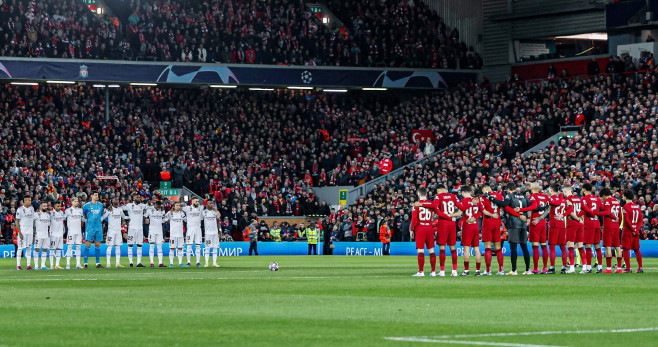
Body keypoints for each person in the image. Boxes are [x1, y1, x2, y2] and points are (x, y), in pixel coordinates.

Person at [485, 183, 531, 275]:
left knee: (513, 247)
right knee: (524, 246)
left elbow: (504, 204)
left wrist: (490, 198)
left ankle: (514, 270)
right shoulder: (523, 196)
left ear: (509, 189)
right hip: (524, 223)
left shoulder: (510, 196)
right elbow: (529, 207)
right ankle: (528, 269)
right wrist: (528, 217)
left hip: (514, 223)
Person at [411, 187, 456, 277]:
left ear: (419, 194)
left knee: (421, 251)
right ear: (426, 194)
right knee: (431, 250)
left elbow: (414, 219)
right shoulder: (431, 204)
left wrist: (411, 230)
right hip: (429, 228)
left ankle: (421, 272)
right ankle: (433, 272)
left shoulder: (416, 204)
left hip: (421, 228)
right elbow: (439, 213)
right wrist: (450, 218)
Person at [421, 184, 463, 276]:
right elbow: (461, 208)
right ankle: (454, 271)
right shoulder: (453, 196)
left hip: (443, 222)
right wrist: (456, 214)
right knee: (453, 247)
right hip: (452, 223)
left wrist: (422, 204)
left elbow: (435, 206)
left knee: (442, 247)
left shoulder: (438, 196)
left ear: (439, 190)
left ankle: (442, 271)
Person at [523, 183, 550, 274]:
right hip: (543, 222)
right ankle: (545, 268)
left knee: (535, 246)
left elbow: (533, 208)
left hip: (535, 222)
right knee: (543, 245)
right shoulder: (545, 197)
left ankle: (535, 268)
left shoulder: (532, 197)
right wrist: (541, 218)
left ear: (532, 188)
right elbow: (548, 209)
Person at [597, 188, 623, 274]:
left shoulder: (607, 201)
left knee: (608, 246)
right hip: (616, 226)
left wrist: (596, 213)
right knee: (617, 247)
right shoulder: (617, 201)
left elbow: (607, 212)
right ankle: (619, 268)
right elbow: (620, 216)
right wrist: (617, 224)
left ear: (604, 194)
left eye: (602, 196)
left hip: (608, 226)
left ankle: (608, 268)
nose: (603, 198)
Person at [457, 186, 482, 276]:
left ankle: (466, 271)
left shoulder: (463, 201)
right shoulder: (476, 200)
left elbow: (460, 212)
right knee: (477, 249)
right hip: (475, 225)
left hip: (467, 225)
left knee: (466, 249)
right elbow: (480, 211)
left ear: (463, 192)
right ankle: (478, 271)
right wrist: (475, 218)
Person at [547, 184, 571, 274]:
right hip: (562, 224)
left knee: (552, 246)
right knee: (563, 246)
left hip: (554, 224)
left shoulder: (551, 199)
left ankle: (552, 268)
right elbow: (570, 208)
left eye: (550, 189)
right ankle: (564, 267)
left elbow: (553, 203)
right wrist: (563, 215)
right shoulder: (564, 201)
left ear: (552, 190)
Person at [480, 184, 504, 275]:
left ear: (484, 189)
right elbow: (501, 206)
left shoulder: (482, 196)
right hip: (497, 222)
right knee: (498, 248)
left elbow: (483, 210)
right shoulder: (498, 195)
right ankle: (501, 270)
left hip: (488, 222)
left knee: (488, 247)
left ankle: (488, 270)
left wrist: (491, 214)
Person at [581, 183, 603, 273]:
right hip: (596, 223)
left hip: (588, 224)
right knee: (597, 246)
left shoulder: (583, 199)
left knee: (588, 246)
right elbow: (603, 209)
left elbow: (582, 210)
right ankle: (600, 267)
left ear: (584, 190)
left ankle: (589, 268)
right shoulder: (597, 199)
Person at [121, 195, 148, 267]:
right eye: (137, 197)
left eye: (139, 197)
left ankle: (138, 262)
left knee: (140, 245)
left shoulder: (142, 206)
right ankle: (131, 262)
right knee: (130, 245)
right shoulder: (129, 205)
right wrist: (125, 217)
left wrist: (145, 215)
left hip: (140, 228)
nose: (138, 198)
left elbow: (151, 208)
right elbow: (120, 208)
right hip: (131, 228)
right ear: (133, 198)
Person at [563, 185, 585, 274]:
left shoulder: (567, 200)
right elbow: (584, 209)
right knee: (580, 246)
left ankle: (572, 268)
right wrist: (580, 218)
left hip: (572, 224)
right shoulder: (579, 199)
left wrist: (577, 218)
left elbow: (571, 212)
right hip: (579, 225)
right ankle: (584, 267)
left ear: (565, 191)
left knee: (570, 246)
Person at [621, 190, 643, 273]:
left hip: (628, 231)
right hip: (636, 232)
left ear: (625, 197)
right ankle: (640, 268)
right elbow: (640, 220)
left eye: (623, 196)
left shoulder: (625, 207)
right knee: (637, 249)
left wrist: (633, 230)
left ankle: (628, 268)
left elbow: (626, 220)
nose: (622, 197)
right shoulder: (637, 206)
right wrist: (636, 229)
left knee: (625, 249)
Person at [82, 192, 104, 268]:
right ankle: (85, 263)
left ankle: (97, 263)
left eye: (97, 195)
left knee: (97, 244)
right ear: (91, 196)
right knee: (88, 244)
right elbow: (83, 215)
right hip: (90, 228)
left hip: (98, 227)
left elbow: (101, 215)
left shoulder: (100, 205)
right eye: (95, 195)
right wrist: (87, 222)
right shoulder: (86, 206)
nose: (97, 196)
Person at [103, 198, 126, 268]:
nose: (116, 201)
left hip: (118, 231)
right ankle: (108, 263)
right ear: (111, 202)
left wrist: (131, 217)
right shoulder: (108, 210)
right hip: (111, 231)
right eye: (115, 200)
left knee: (118, 246)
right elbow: (103, 217)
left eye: (117, 200)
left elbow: (124, 216)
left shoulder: (120, 210)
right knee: (110, 246)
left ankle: (117, 263)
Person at [182, 197, 205, 267]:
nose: (197, 203)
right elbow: (179, 207)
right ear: (192, 202)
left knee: (198, 246)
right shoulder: (187, 208)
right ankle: (188, 262)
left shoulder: (200, 208)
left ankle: (198, 262)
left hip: (198, 229)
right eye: (196, 201)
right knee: (189, 246)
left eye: (198, 201)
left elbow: (201, 218)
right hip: (190, 229)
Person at [16, 195, 35, 270]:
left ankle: (28, 265)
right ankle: (18, 266)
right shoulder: (20, 210)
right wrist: (20, 233)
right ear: (25, 201)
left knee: (29, 248)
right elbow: (17, 221)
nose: (30, 202)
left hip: (30, 232)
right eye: (29, 200)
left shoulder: (32, 209)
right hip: (23, 232)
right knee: (20, 248)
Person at [146, 201, 167, 267]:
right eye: (157, 206)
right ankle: (151, 263)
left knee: (159, 246)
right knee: (151, 246)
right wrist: (146, 220)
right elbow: (144, 216)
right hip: (152, 231)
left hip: (159, 231)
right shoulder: (150, 210)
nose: (158, 208)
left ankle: (160, 263)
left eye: (159, 206)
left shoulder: (162, 211)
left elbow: (163, 219)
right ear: (154, 205)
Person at [64, 197, 84, 269]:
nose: (77, 202)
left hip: (78, 232)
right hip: (71, 232)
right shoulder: (68, 210)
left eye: (77, 201)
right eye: (75, 201)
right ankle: (68, 264)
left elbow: (83, 219)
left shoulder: (80, 211)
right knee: (69, 247)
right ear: (71, 202)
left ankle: (78, 264)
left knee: (78, 247)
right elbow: (63, 218)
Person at [166, 202, 186, 267]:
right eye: (177, 205)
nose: (178, 206)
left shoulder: (182, 213)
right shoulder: (170, 213)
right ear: (174, 206)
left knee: (180, 249)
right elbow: (164, 219)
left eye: (179, 205)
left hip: (180, 234)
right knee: (172, 248)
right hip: (173, 234)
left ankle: (180, 263)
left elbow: (186, 220)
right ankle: (171, 263)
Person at [202, 201, 221, 267]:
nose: (211, 204)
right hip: (207, 233)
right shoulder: (204, 212)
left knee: (215, 247)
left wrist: (220, 230)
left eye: (212, 203)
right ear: (207, 205)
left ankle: (214, 263)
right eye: (210, 203)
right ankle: (206, 263)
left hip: (215, 232)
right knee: (207, 248)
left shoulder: (215, 212)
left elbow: (218, 219)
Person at [33, 202, 51, 270]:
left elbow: (49, 224)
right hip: (39, 235)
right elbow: (31, 221)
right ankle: (36, 266)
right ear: (40, 207)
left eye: (46, 206)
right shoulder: (36, 214)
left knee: (45, 249)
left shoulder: (47, 215)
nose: (45, 207)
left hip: (46, 235)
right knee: (37, 249)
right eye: (44, 206)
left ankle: (43, 265)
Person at [49, 201, 66, 269]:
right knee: (52, 249)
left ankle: (57, 265)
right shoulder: (51, 213)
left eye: (60, 206)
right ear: (54, 206)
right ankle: (51, 265)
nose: (59, 207)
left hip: (60, 234)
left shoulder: (61, 213)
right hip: (53, 234)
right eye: (58, 206)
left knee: (59, 249)